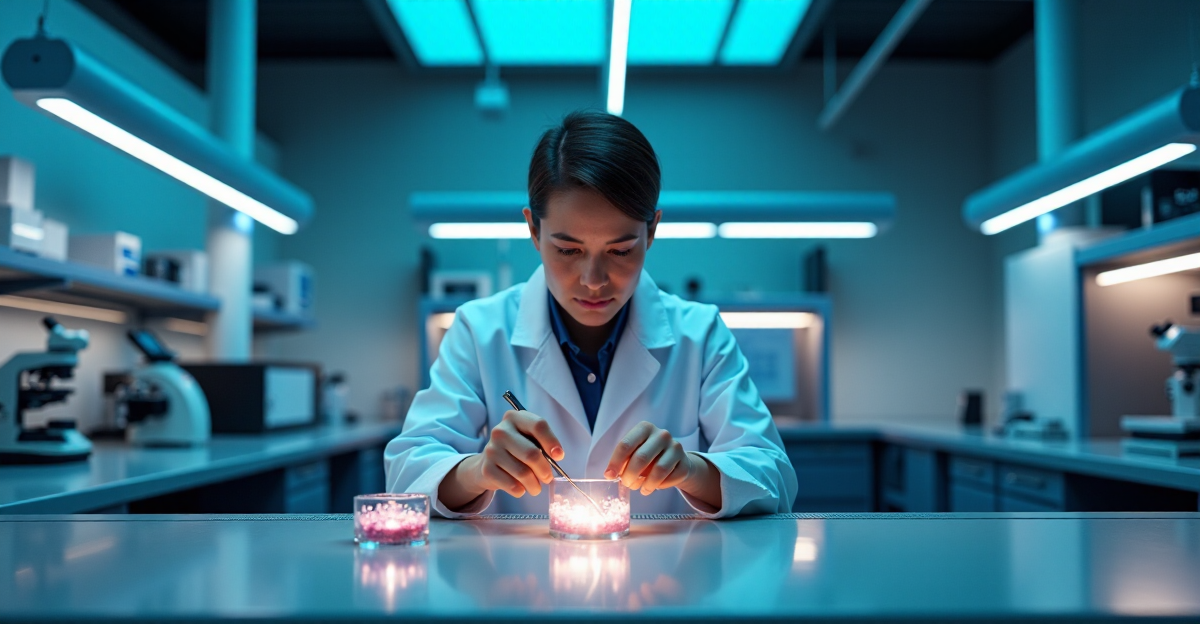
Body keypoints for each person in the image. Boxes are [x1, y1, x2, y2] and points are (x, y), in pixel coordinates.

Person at [385, 110, 797, 518]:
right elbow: (407, 474)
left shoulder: (700, 334)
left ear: (651, 231)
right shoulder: (479, 331)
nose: (594, 279)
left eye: (620, 250)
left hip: (667, 578)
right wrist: (477, 471)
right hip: (520, 580)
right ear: (533, 230)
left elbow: (774, 477)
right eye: (568, 250)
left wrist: (692, 469)